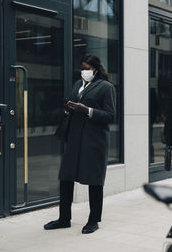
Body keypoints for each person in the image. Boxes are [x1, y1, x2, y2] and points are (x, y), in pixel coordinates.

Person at [44, 55, 116, 234]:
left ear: (95, 70)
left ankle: (93, 220)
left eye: (87, 68)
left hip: (94, 140)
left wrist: (88, 110)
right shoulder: (77, 84)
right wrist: (68, 107)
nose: (84, 71)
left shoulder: (106, 87)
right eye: (82, 68)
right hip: (75, 138)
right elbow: (72, 104)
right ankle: (64, 219)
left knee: (94, 181)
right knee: (66, 178)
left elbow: (110, 115)